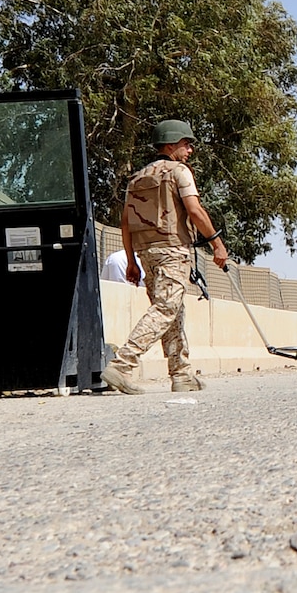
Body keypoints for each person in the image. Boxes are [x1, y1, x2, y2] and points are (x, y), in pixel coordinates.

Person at [101, 120, 230, 394]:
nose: (190, 150)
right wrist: (217, 244)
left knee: (173, 312)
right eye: (186, 144)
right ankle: (121, 365)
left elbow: (126, 223)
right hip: (173, 251)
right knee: (165, 309)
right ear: (171, 145)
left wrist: (132, 260)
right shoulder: (179, 172)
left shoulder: (137, 178)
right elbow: (194, 211)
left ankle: (181, 374)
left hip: (147, 252)